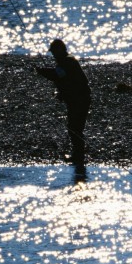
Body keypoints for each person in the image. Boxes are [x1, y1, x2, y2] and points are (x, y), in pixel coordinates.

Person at [35, 39, 91, 175]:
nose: (53, 55)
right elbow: (65, 79)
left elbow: (57, 75)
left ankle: (79, 156)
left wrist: (41, 71)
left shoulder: (67, 61)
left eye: (54, 52)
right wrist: (62, 93)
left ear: (60, 50)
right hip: (77, 98)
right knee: (74, 127)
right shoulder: (66, 61)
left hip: (80, 99)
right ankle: (79, 157)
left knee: (74, 127)